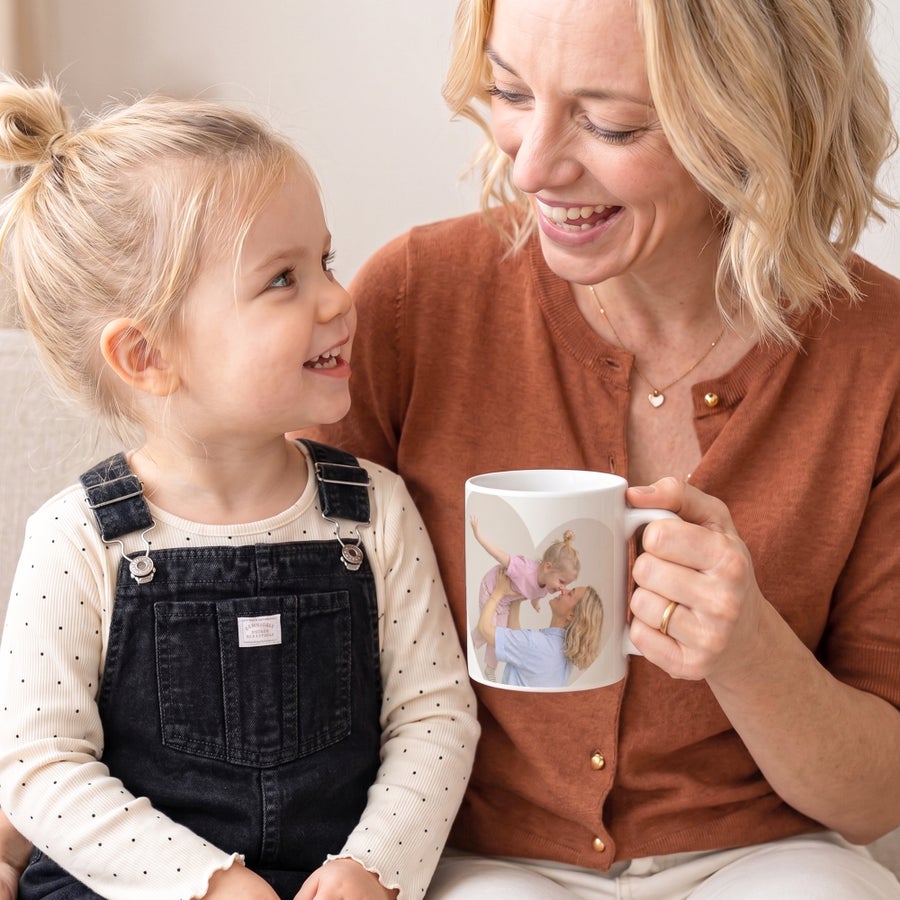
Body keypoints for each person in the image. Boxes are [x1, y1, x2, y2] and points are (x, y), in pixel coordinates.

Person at [306, 0, 900, 895]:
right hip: (476, 853)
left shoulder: (879, 356)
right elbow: (239, 565)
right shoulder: (413, 302)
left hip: (760, 853)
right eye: (509, 92)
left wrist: (746, 650)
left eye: (610, 122)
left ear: (753, 118)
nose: (533, 165)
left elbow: (874, 800)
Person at [0, 75, 479, 900]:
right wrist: (204, 884)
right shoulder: (77, 537)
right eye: (282, 280)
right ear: (147, 356)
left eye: (323, 260)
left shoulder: (373, 511)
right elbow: (40, 768)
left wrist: (377, 864)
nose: (339, 296)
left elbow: (435, 717)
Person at [469, 518, 579, 679]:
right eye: (561, 582)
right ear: (547, 567)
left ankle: (489, 668)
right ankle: (469, 645)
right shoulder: (524, 569)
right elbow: (499, 555)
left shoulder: (546, 589)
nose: (562, 588)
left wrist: (535, 604)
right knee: (487, 629)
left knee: (499, 633)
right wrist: (478, 535)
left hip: (505, 601)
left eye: (566, 584)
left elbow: (535, 594)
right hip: (492, 588)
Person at [477, 572, 603, 688]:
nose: (564, 590)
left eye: (570, 594)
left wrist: (498, 593)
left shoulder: (536, 644)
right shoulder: (563, 654)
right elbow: (521, 648)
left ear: (571, 615)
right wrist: (516, 601)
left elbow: (484, 629)